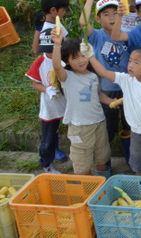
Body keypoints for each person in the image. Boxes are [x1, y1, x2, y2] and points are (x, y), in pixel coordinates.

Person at [88, 47, 141, 176]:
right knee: (139, 167)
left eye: (136, 62)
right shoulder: (125, 80)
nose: (130, 65)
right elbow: (104, 72)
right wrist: (90, 56)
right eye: (130, 61)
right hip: (136, 133)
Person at [49, 30, 112, 177]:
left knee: (102, 158)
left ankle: (104, 185)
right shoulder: (67, 77)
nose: (81, 60)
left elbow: (97, 95)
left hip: (99, 123)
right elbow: (57, 66)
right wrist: (57, 45)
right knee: (83, 164)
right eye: (75, 58)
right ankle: (86, 190)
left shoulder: (93, 75)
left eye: (83, 55)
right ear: (67, 61)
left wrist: (110, 101)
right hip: (80, 127)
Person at [82, 0, 131, 163]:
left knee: (129, 125)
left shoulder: (127, 35)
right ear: (97, 18)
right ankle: (104, 162)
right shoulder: (95, 36)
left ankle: (130, 159)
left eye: (115, 13)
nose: (111, 17)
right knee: (107, 128)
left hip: (128, 88)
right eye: (106, 14)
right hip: (107, 90)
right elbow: (82, 22)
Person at [27, 0, 70, 172]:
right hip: (50, 102)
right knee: (49, 133)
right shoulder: (41, 61)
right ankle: (46, 162)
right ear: (54, 10)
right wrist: (47, 89)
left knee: (64, 126)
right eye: (64, 9)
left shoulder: (63, 60)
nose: (66, 12)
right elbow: (36, 50)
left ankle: (60, 150)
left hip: (65, 98)